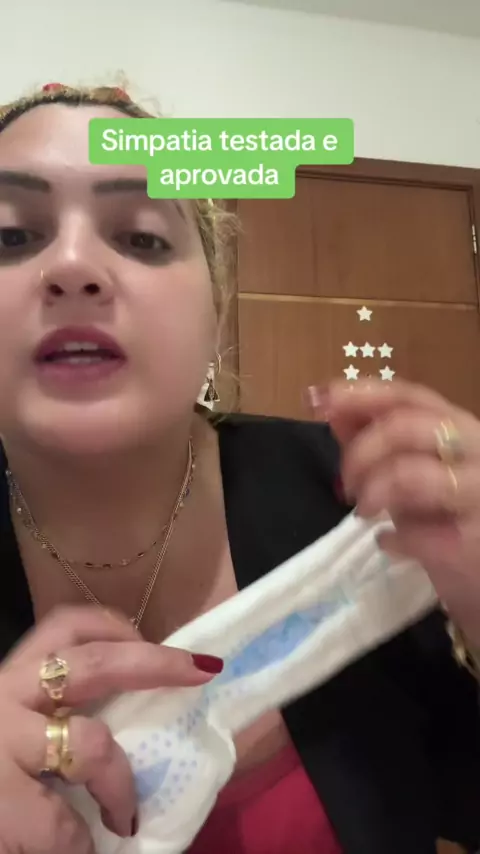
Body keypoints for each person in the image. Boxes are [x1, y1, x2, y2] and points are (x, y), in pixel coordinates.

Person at [0, 81, 478, 854]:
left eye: (142, 239)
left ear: (215, 309)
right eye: (12, 236)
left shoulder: (360, 495)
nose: (74, 267)